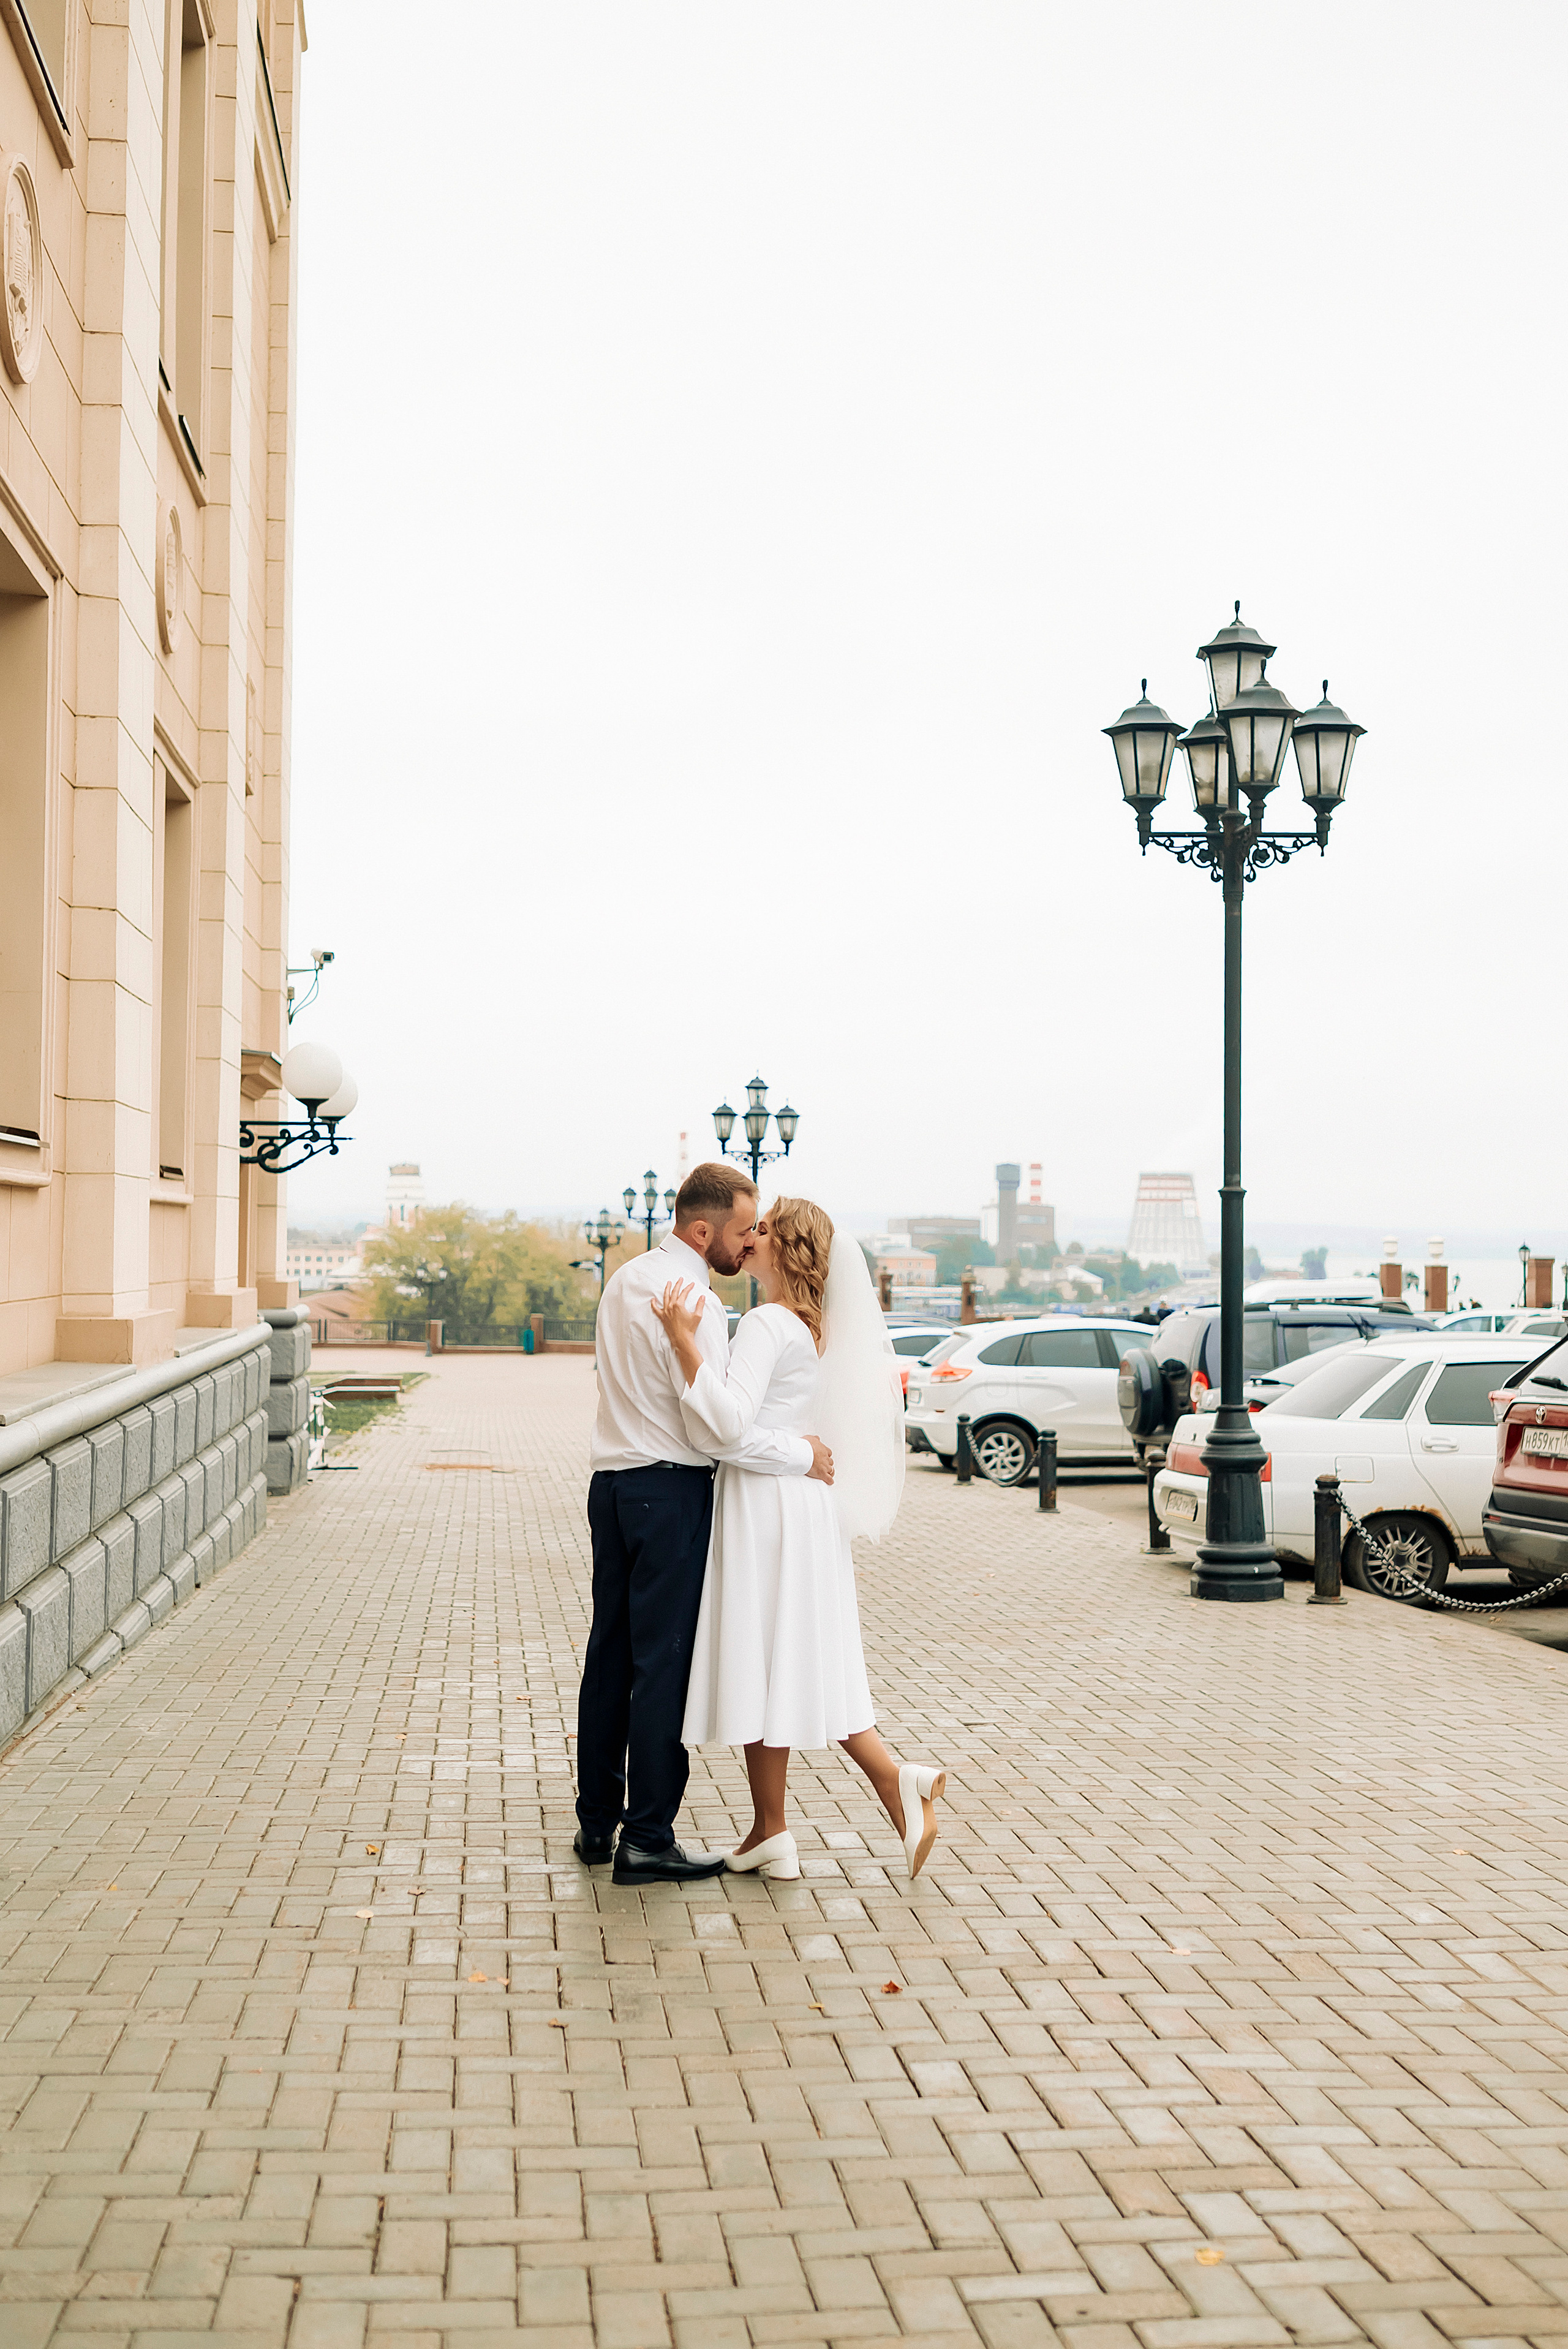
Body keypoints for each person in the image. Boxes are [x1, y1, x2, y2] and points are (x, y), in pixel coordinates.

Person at [652, 1197, 947, 1882]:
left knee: (766, 1655)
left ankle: (861, 1791)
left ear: (784, 1251)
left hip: (767, 1508)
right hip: (807, 1510)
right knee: (788, 1657)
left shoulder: (765, 1323)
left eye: (762, 1231)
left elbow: (724, 1428)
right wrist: (803, 1453)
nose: (749, 1238)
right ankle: (774, 1829)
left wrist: (681, 1340)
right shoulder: (822, 1330)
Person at [576, 1162, 835, 1886]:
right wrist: (802, 1455)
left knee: (609, 1657)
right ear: (702, 1231)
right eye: (743, 1229)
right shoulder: (700, 1302)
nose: (749, 1242)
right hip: (671, 1494)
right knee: (664, 1665)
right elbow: (720, 1430)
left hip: (612, 1487)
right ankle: (648, 1837)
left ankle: (596, 1823)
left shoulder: (626, 1280)